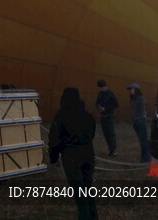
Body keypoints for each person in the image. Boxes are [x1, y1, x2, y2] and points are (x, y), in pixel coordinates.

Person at [49, 87, 98, 220]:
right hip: (88, 154)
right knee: (88, 186)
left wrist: (53, 158)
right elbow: (92, 132)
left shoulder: (62, 115)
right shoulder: (87, 115)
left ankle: (85, 216)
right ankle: (93, 215)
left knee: (78, 189)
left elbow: (54, 137)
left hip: (71, 156)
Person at [94, 79, 118, 157]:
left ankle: (113, 150)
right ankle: (110, 149)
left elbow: (116, 105)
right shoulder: (100, 94)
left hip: (110, 115)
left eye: (103, 87)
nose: (102, 88)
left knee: (110, 133)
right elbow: (97, 102)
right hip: (103, 116)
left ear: (106, 86)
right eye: (100, 87)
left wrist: (106, 108)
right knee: (106, 134)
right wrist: (99, 107)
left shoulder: (111, 94)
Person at [128, 83, 151, 163]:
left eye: (132, 89)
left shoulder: (141, 99)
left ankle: (146, 159)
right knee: (142, 141)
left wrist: (137, 119)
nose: (131, 91)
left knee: (144, 141)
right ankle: (145, 158)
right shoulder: (133, 99)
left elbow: (141, 111)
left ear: (136, 90)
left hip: (141, 121)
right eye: (130, 89)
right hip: (136, 122)